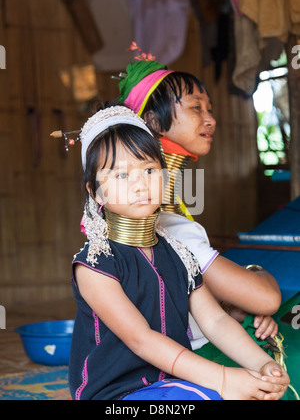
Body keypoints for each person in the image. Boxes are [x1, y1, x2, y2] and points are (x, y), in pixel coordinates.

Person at [67, 104, 289, 400]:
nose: (140, 184)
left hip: (172, 383)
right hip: (115, 395)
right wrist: (224, 380)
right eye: (121, 175)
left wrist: (262, 366)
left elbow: (216, 321)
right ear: (95, 192)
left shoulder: (176, 251)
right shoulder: (94, 265)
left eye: (149, 169)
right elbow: (142, 340)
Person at [117, 50, 281, 351]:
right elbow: (266, 297)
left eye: (210, 108)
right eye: (196, 108)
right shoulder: (162, 223)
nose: (211, 120)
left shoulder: (158, 211)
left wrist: (232, 308)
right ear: (153, 121)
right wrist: (256, 273)